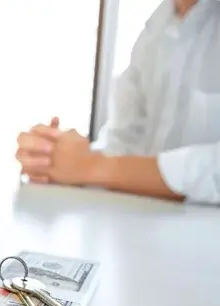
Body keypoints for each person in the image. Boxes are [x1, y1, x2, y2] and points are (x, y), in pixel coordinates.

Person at [16, 0, 220, 205]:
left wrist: (89, 167)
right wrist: (52, 157)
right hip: (145, 225)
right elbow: (124, 145)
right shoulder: (157, 28)